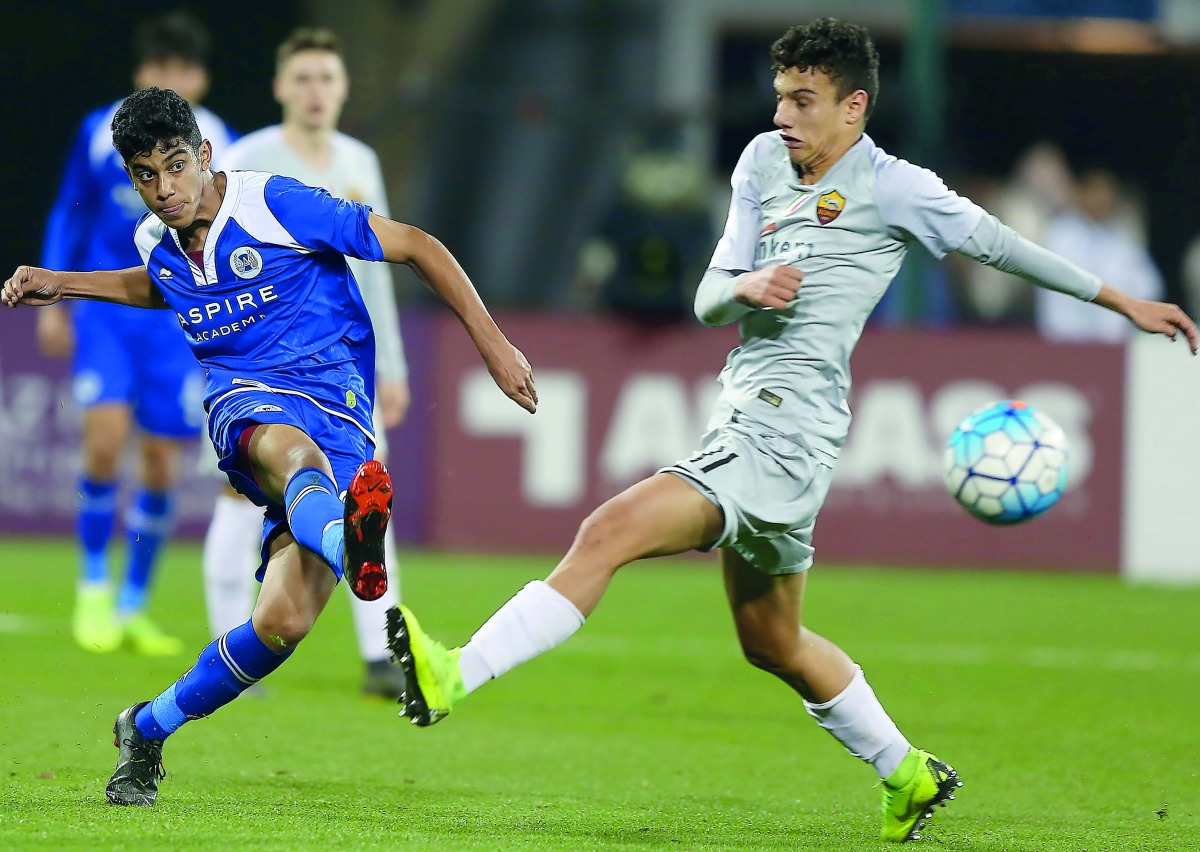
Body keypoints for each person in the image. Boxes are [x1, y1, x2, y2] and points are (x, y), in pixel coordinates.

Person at [386, 18, 1197, 844]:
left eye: (803, 101)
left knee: (607, 532)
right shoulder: (761, 162)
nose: (783, 116)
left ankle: (456, 674)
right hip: (752, 418)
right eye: (780, 97)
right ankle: (909, 773)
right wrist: (747, 287)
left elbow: (998, 245)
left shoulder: (895, 187)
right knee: (771, 640)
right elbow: (707, 298)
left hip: (785, 432)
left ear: (854, 107)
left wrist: (1121, 301)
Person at [1, 86, 536, 807]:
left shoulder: (275, 204)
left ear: (205, 155)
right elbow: (162, 284)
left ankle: (145, 728)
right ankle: (353, 547)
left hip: (341, 408)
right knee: (292, 454)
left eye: (176, 166)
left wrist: (493, 345)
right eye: (146, 176)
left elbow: (415, 245)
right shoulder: (156, 240)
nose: (165, 189)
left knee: (282, 623)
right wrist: (62, 284)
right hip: (246, 402)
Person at [202, 27, 411, 699]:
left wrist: (393, 365)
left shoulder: (360, 160)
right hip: (258, 369)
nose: (315, 91)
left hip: (343, 369)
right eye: (303, 78)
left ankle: (381, 652)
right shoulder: (248, 158)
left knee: (365, 494)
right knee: (241, 501)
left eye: (326, 78)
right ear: (280, 88)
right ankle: (229, 638)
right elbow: (203, 263)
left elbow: (376, 270)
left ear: (343, 88)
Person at [39, 11, 237, 656]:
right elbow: (70, 210)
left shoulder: (221, 143)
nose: (171, 79)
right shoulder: (101, 132)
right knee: (103, 440)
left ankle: (133, 605)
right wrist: (54, 300)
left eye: (183, 69)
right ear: (141, 72)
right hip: (107, 311)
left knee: (160, 460)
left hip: (179, 319)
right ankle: (94, 588)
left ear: (201, 79)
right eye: (160, 68)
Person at [1035, 168, 1165, 343]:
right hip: (1063, 340)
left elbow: (1150, 288)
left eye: (1107, 192)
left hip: (1113, 343)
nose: (1102, 198)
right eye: (1096, 191)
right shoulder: (1059, 234)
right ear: (1081, 193)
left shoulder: (1123, 239)